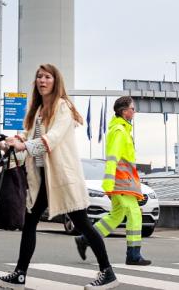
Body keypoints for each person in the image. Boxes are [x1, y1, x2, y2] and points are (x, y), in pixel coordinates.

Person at [0, 64, 118, 290]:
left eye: (47, 77)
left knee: (82, 222)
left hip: (62, 176)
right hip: (42, 178)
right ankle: (20, 274)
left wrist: (23, 146)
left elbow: (52, 138)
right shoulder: (38, 109)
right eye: (39, 77)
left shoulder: (62, 107)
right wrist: (6, 143)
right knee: (30, 222)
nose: (42, 80)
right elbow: (26, 135)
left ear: (55, 81)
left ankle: (108, 272)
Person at [75, 95, 151, 266]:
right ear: (124, 112)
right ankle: (133, 255)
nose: (134, 111)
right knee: (134, 214)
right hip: (122, 182)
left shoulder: (122, 129)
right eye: (132, 108)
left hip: (125, 181)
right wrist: (108, 184)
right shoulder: (119, 131)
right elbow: (112, 159)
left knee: (116, 215)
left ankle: (85, 239)